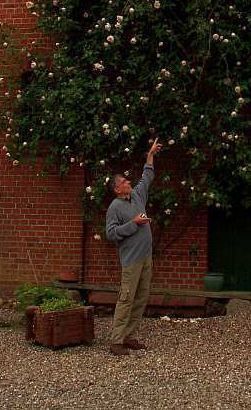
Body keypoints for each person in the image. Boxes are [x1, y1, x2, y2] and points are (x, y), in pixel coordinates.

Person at [105, 138, 162, 355]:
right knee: (126, 299)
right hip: (131, 261)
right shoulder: (115, 208)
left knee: (141, 298)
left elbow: (147, 176)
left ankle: (128, 336)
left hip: (146, 257)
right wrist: (134, 224)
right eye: (124, 181)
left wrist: (151, 154)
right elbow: (111, 234)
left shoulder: (137, 196)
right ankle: (116, 341)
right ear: (117, 189)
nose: (129, 182)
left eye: (127, 180)